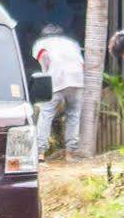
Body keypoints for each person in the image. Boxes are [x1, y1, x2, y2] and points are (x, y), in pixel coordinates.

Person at [29, 24, 84, 159]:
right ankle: (70, 153)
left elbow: (45, 60)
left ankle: (41, 153)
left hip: (56, 79)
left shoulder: (41, 43)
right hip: (77, 79)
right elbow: (81, 63)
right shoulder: (72, 43)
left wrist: (45, 74)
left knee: (46, 113)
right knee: (73, 115)